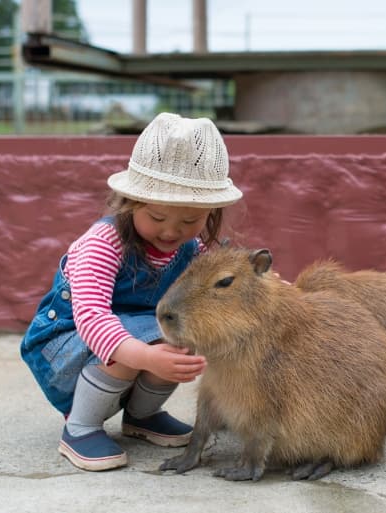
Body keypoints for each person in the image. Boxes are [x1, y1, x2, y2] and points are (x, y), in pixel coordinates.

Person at [20, 112, 243, 471]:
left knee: (178, 337)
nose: (171, 232)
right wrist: (145, 357)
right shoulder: (103, 243)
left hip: (125, 344)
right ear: (130, 202)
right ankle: (80, 427)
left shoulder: (192, 250)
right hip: (66, 346)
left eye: (189, 221)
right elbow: (92, 318)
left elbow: (220, 286)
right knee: (138, 345)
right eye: (157, 218)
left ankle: (141, 417)